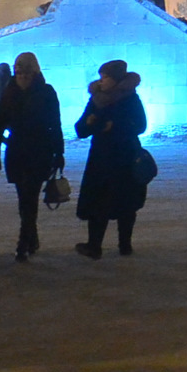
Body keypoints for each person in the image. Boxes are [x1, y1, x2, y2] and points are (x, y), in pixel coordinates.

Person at [74, 60, 148, 259]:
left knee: (126, 203)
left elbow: (141, 126)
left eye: (105, 77)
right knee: (98, 203)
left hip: (125, 157)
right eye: (101, 77)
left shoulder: (131, 99)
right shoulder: (96, 100)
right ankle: (94, 245)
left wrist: (113, 126)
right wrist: (90, 124)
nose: (101, 81)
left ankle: (125, 244)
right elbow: (80, 128)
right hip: (101, 159)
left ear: (116, 79)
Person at [0, 52, 64, 261]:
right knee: (24, 198)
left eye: (26, 72)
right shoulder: (10, 91)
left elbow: (55, 123)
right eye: (19, 72)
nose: (23, 76)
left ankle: (23, 242)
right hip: (18, 150)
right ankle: (31, 236)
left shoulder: (45, 92)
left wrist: (58, 152)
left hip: (38, 150)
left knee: (29, 197)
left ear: (34, 72)